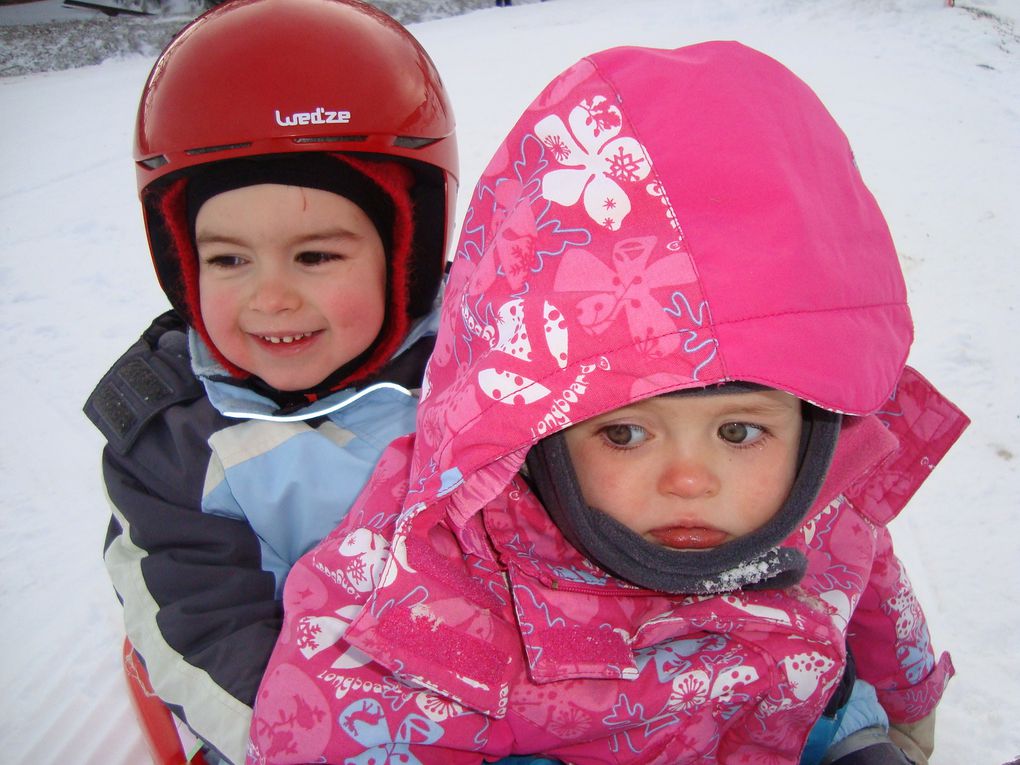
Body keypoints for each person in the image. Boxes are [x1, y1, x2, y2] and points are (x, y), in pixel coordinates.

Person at [246, 42, 967, 764]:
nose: (690, 479)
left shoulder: (820, 500)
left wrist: (905, 709)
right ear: (540, 431)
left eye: (739, 429)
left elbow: (873, 590)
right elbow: (345, 717)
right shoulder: (442, 579)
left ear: (812, 421)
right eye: (625, 433)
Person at [82, 1, 457, 763]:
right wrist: (314, 742)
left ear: (406, 253)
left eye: (315, 256)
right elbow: (205, 623)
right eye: (228, 259)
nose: (271, 299)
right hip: (296, 706)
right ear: (181, 263)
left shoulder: (491, 367)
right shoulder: (172, 445)